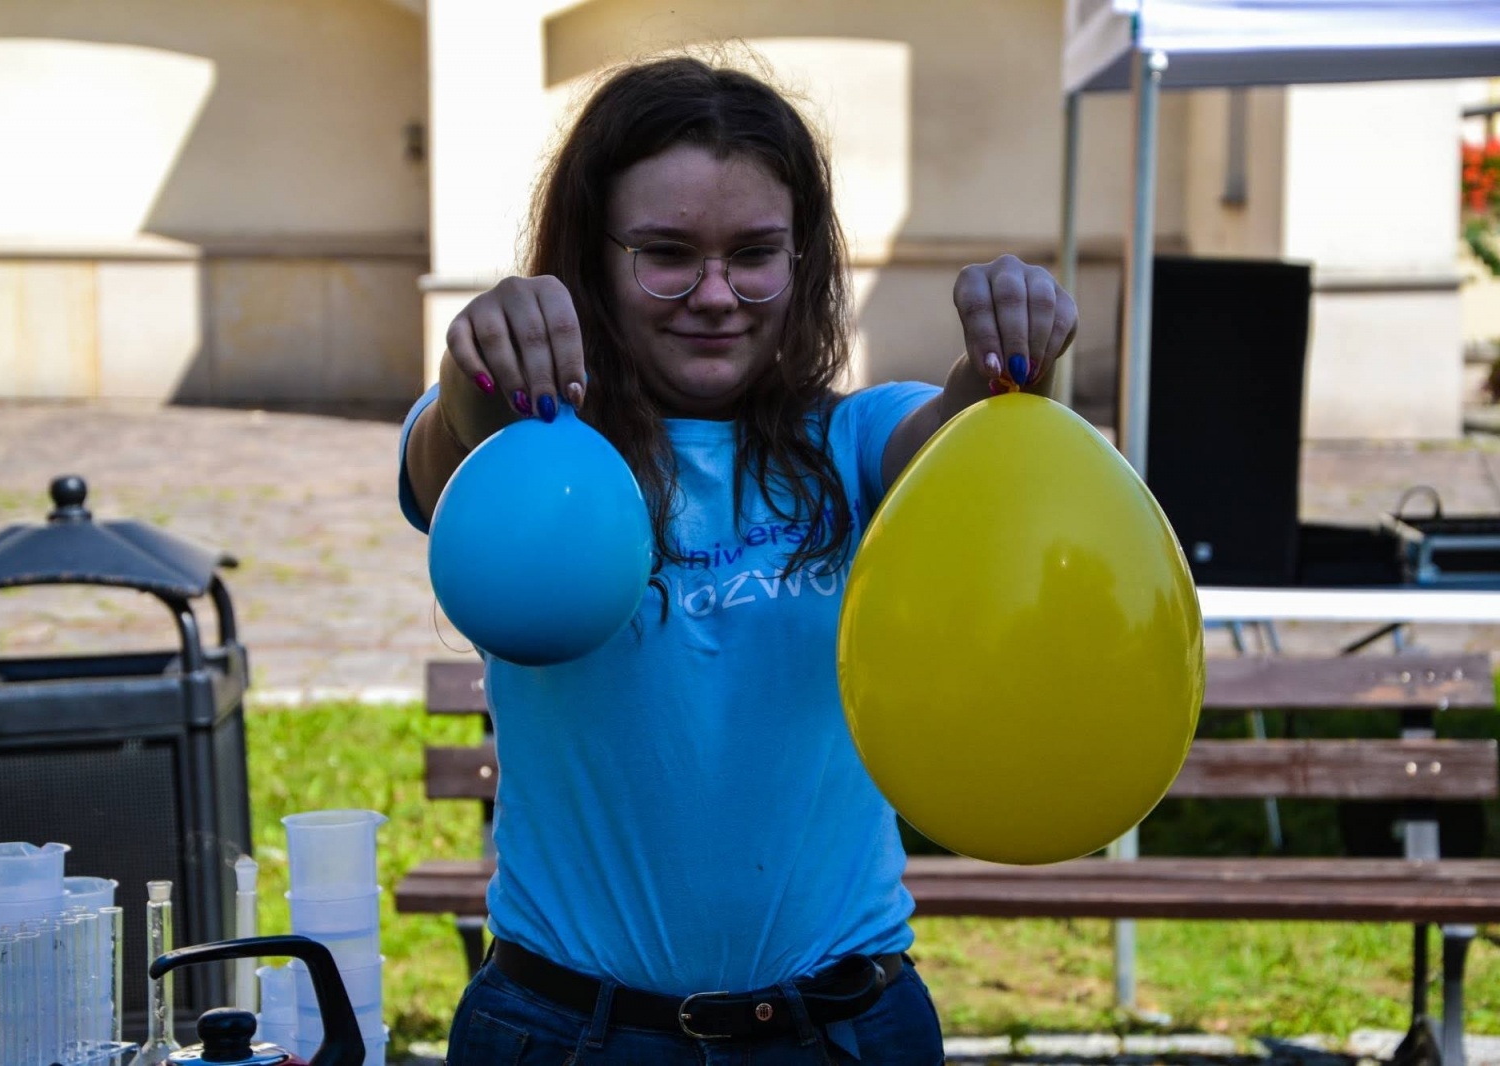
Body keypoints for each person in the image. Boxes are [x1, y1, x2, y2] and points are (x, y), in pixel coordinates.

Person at [399, 54, 1077, 1065]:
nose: (715, 295)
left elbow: (962, 437)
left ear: (802, 259)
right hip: (569, 1034)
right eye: (666, 254)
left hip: (841, 1031)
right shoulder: (526, 453)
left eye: (755, 254)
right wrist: (479, 364)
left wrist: (1015, 356)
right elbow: (447, 449)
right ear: (591, 259)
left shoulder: (854, 441)